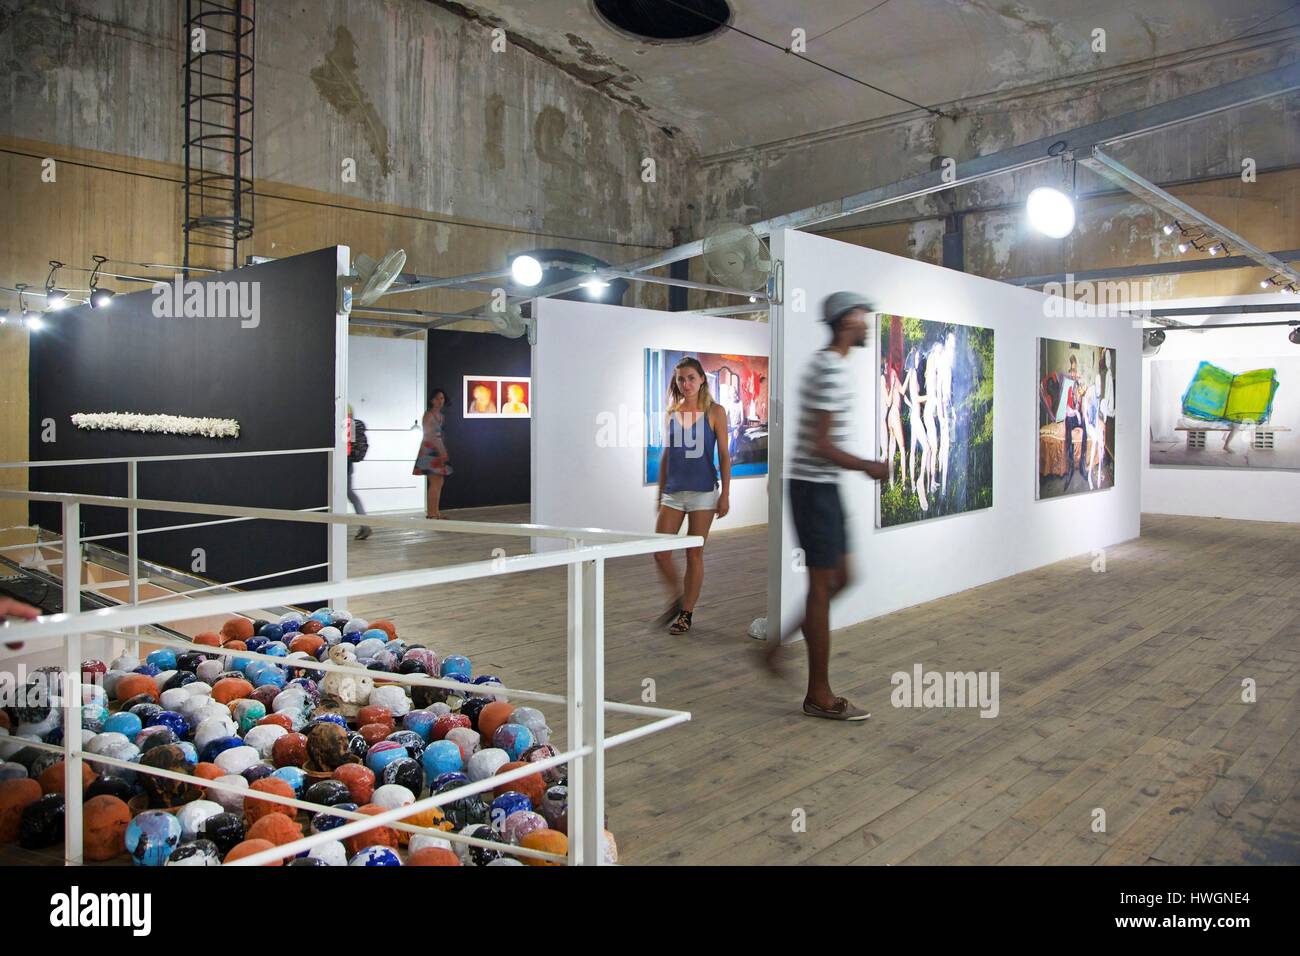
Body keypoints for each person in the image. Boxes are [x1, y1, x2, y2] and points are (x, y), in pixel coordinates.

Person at [767, 292, 888, 722]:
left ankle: (776, 647)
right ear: (845, 320)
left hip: (824, 486)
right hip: (812, 487)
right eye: (863, 314)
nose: (868, 322)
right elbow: (820, 444)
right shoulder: (826, 367)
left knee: (844, 577)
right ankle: (818, 693)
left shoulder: (833, 366)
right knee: (822, 586)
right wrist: (868, 466)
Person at [652, 356, 731, 636]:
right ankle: (677, 598)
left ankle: (686, 613)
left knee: (694, 553)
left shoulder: (715, 412)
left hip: (703, 494)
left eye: (690, 378)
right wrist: (660, 492)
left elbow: (723, 455)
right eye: (681, 379)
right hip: (674, 493)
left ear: (701, 380)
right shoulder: (672, 412)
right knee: (660, 553)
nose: (685, 384)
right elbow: (666, 455)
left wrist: (726, 495)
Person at [413, 388, 453, 519]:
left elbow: (439, 435)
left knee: (439, 482)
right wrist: (441, 450)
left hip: (437, 450)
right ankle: (432, 513)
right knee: (435, 482)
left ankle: (435, 512)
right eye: (437, 398)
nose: (440, 401)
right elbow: (430, 435)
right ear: (432, 400)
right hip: (430, 451)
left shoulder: (441, 416)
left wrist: (442, 449)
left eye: (442, 398)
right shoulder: (429, 415)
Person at [346, 404, 372, 541]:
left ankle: (364, 524)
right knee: (350, 494)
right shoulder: (353, 424)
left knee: (346, 494)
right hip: (348, 464)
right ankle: (364, 524)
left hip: (341, 464)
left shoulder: (344, 426)